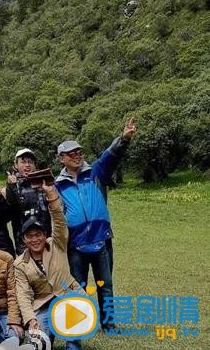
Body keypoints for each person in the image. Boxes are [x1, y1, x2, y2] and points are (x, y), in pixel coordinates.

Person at [55, 117, 137, 329]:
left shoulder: (96, 172)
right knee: (78, 286)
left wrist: (124, 138)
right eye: (72, 153)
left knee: (106, 286)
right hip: (76, 245)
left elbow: (111, 156)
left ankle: (109, 325)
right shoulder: (57, 185)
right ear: (61, 158)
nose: (77, 156)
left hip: (101, 240)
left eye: (80, 152)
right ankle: (77, 325)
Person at [13, 183, 81, 350]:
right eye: (30, 236)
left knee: (73, 339)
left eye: (38, 235)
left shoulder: (57, 244)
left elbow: (59, 221)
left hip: (69, 297)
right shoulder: (20, 263)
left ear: (45, 235)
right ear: (24, 240)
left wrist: (52, 196)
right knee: (39, 342)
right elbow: (23, 295)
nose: (35, 239)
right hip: (43, 305)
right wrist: (30, 319)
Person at [6, 148, 51, 254]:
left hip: (45, 238)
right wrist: (11, 187)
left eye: (30, 162)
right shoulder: (12, 186)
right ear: (15, 164)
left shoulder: (43, 184)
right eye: (23, 162)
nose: (27, 165)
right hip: (24, 241)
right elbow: (12, 209)